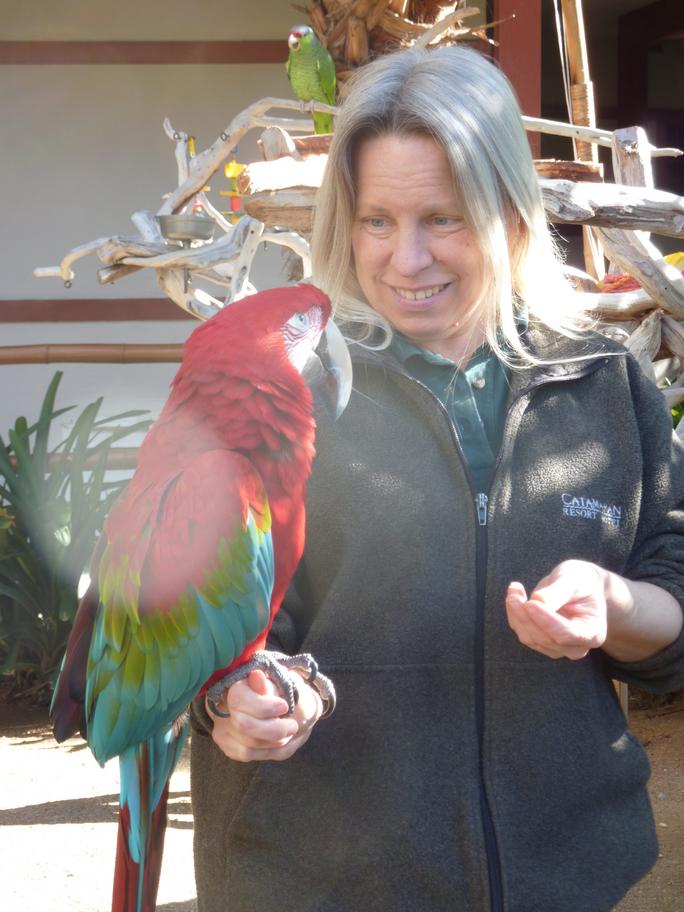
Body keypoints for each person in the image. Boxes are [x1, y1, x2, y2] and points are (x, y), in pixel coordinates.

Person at [190, 45, 684, 912]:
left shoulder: (606, 385)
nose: (406, 259)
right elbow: (187, 617)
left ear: (511, 213)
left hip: (564, 880)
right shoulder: (273, 393)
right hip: (316, 882)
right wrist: (234, 700)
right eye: (376, 220)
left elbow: (671, 592)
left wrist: (616, 604)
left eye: (443, 219)